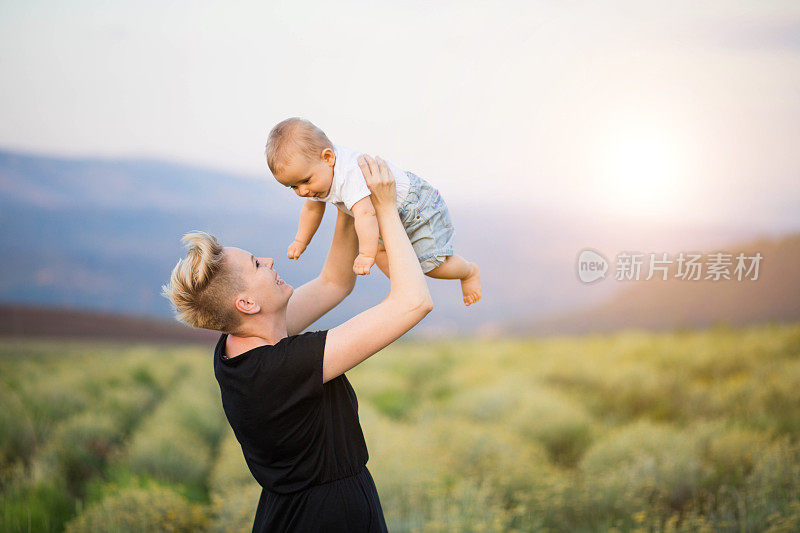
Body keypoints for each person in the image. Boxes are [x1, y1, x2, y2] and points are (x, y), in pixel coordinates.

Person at [162, 155, 432, 532]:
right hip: (327, 519)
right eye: (256, 264)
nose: (270, 261)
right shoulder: (281, 368)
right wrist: (384, 209)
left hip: (291, 515)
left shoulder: (238, 344)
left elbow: (334, 282)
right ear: (247, 303)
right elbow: (414, 302)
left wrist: (349, 197)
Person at [265, 117, 482, 306]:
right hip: (387, 212)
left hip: (416, 207)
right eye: (293, 187)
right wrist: (300, 240)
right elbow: (312, 209)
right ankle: (402, 289)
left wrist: (365, 254)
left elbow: (365, 214)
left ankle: (468, 271)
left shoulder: (349, 175)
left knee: (432, 265)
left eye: (305, 181)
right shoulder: (319, 171)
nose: (303, 191)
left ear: (328, 157)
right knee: (382, 255)